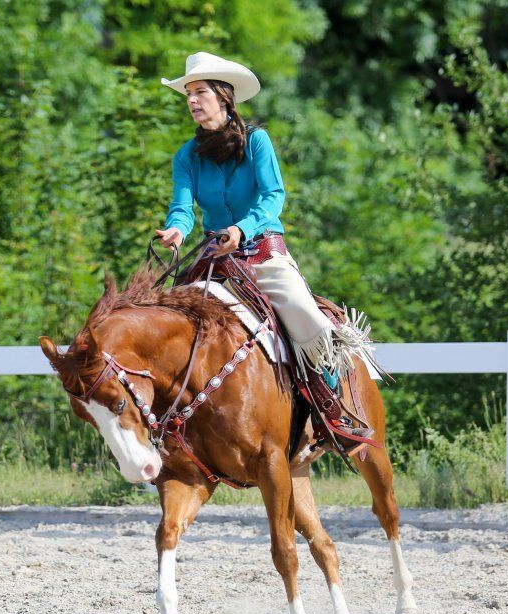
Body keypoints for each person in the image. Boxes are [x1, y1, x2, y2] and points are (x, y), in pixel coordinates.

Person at [154, 52, 374, 452]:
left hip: (261, 252)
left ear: (224, 97)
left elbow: (274, 196)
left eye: (199, 92)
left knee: (307, 319)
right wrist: (176, 230)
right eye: (188, 93)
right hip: (213, 258)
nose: (191, 100)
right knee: (167, 319)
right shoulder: (186, 156)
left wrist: (242, 228)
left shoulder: (257, 141)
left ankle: (333, 411)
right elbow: (183, 207)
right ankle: (168, 425)